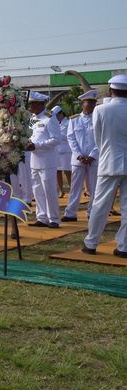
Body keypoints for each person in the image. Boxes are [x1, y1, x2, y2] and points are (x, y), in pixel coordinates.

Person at [82, 75, 127, 256]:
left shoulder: (101, 110)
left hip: (109, 161)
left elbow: (98, 139)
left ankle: (91, 243)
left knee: (100, 205)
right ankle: (124, 246)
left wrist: (107, 153)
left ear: (110, 91)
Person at [26, 92, 64, 228]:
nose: (30, 107)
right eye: (30, 104)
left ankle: (54, 218)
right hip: (34, 160)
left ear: (41, 104)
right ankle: (42, 217)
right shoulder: (33, 119)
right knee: (37, 191)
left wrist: (37, 145)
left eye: (33, 104)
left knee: (49, 191)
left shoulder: (49, 118)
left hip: (47, 161)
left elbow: (56, 139)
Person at [64, 90, 99, 222]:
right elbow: (71, 138)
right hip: (78, 160)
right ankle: (70, 213)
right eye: (89, 102)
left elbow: (101, 139)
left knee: (94, 187)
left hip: (94, 159)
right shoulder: (74, 120)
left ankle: (92, 212)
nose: (92, 104)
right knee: (75, 187)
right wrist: (78, 155)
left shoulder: (99, 119)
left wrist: (92, 155)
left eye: (93, 102)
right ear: (82, 103)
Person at [52, 106, 72, 198]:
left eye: (55, 115)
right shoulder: (55, 123)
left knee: (68, 172)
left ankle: (72, 190)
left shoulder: (68, 122)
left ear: (60, 113)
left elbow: (69, 136)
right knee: (57, 172)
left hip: (65, 150)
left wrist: (59, 135)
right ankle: (61, 191)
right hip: (56, 150)